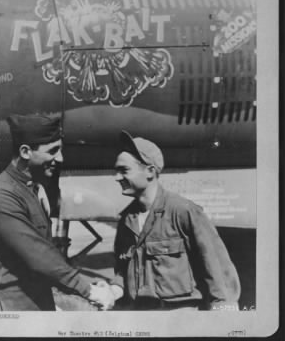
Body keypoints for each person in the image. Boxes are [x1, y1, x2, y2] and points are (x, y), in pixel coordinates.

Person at [91, 130, 241, 311]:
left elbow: (217, 269)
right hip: (141, 316)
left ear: (150, 172)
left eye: (124, 170)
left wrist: (224, 311)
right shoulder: (127, 220)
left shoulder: (183, 212)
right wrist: (113, 290)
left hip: (181, 319)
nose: (117, 177)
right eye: (116, 171)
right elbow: (123, 270)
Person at [0, 114, 111, 311]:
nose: (60, 158)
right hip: (13, 307)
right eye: (53, 151)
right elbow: (39, 255)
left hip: (37, 301)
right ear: (25, 152)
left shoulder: (32, 189)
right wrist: (88, 290)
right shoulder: (3, 194)